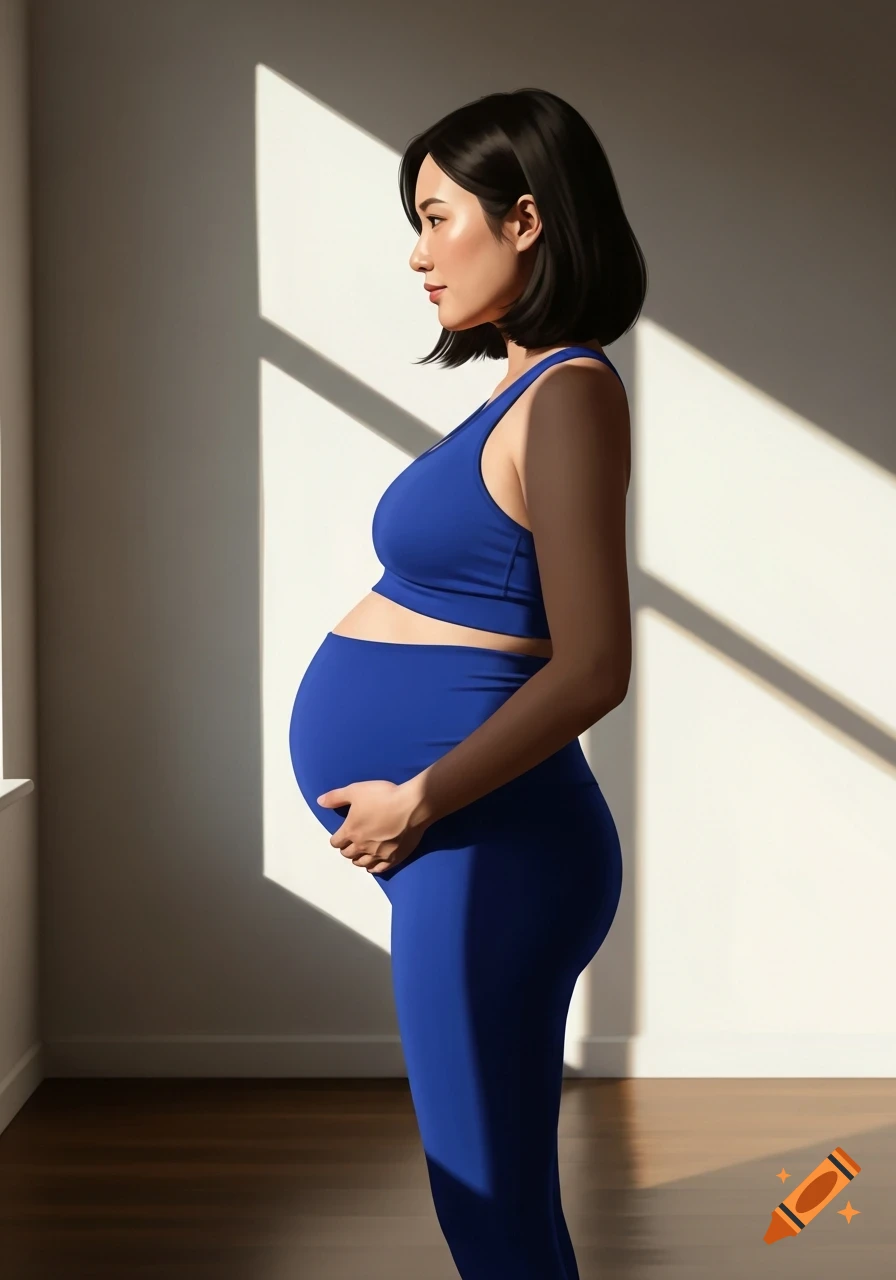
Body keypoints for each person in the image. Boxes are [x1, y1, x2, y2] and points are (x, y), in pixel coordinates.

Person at [289, 86, 647, 1280]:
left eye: (437, 216)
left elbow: (596, 664)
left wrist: (421, 798)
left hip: (486, 849)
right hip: (463, 853)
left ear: (527, 220)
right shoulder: (516, 389)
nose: (415, 248)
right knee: (489, 1198)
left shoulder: (572, 393)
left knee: (486, 1202)